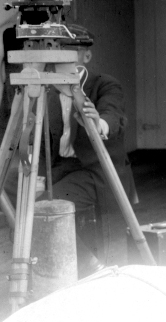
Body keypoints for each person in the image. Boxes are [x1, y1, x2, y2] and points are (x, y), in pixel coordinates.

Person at [1, 23, 133, 275]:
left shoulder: (103, 85)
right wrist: (35, 170)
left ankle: (92, 267)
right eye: (57, 48)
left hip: (96, 170)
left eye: (69, 50)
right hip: (61, 167)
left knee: (46, 207)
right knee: (10, 184)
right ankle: (38, 255)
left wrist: (98, 123)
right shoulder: (46, 89)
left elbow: (112, 115)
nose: (61, 56)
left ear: (86, 56)